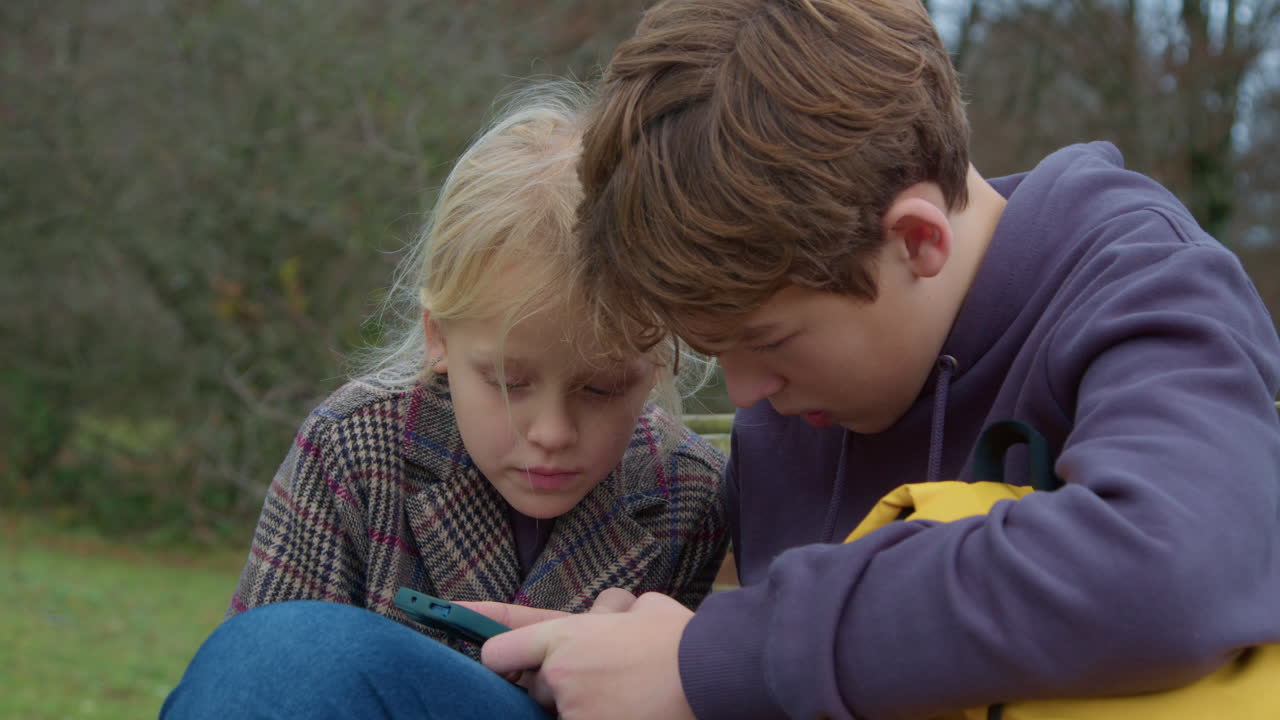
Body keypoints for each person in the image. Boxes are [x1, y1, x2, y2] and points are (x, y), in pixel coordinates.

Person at [470, 1, 1280, 719]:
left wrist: (715, 659)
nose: (750, 393)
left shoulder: (1136, 279)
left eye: (770, 341)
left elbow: (1171, 565)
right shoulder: (792, 412)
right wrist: (642, 667)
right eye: (717, 351)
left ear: (916, 240)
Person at [160, 83, 727, 719]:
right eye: (509, 383)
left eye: (601, 388)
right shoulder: (356, 448)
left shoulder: (687, 493)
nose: (551, 432)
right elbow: (266, 683)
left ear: (656, 362)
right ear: (439, 339)